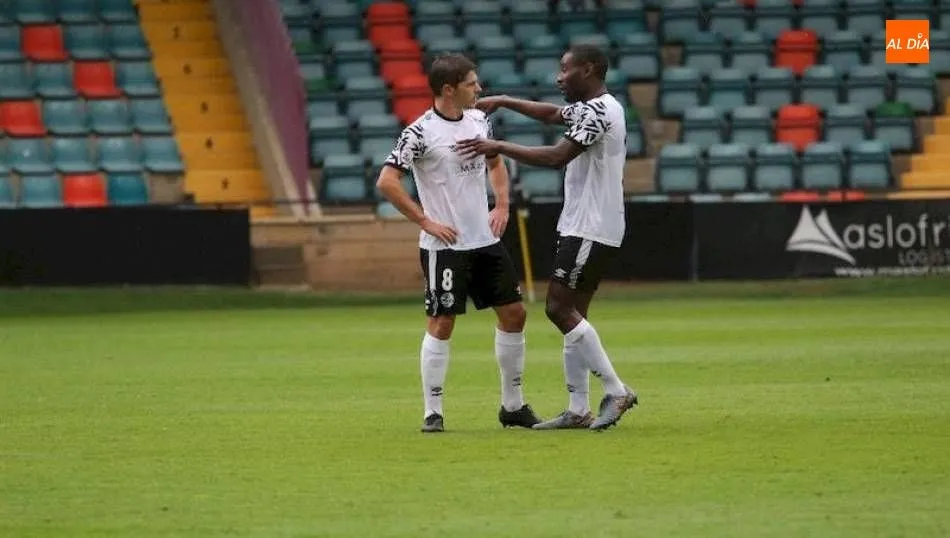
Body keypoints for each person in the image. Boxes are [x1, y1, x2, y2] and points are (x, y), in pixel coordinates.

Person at [455, 45, 638, 431]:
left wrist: (498, 146)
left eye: (565, 69)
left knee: (557, 308)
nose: (558, 77)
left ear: (588, 69)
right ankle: (578, 409)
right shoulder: (597, 107)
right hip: (590, 223)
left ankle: (616, 389)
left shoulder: (598, 111)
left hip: (589, 225)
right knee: (574, 314)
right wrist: (505, 101)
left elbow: (557, 157)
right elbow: (553, 114)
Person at [376, 53, 542, 433]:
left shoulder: (479, 120)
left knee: (515, 314)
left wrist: (502, 203)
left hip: (484, 240)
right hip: (445, 246)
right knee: (442, 322)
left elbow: (495, 162)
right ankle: (432, 412)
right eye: (471, 83)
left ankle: (513, 406)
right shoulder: (419, 133)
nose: (479, 89)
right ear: (448, 89)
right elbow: (387, 181)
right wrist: (425, 221)